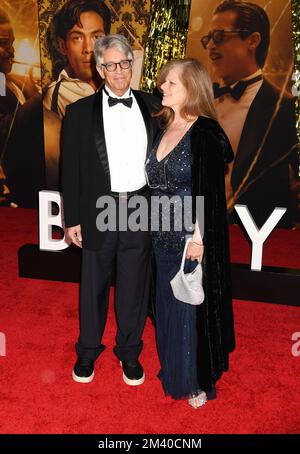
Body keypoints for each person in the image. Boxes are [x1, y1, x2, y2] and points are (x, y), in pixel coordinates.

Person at [62, 34, 159, 385]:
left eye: (126, 63)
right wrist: (71, 218)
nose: (120, 71)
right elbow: (69, 170)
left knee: (135, 284)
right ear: (100, 68)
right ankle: (87, 351)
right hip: (99, 209)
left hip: (140, 206)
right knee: (94, 286)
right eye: (112, 65)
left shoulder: (155, 106)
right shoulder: (78, 112)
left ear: (133, 65)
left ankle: (129, 352)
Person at [145, 58, 235, 409]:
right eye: (163, 82)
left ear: (192, 89)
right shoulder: (162, 127)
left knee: (187, 306)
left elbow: (210, 193)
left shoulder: (206, 133)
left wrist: (199, 238)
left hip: (186, 235)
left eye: (171, 84)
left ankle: (194, 381)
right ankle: (174, 367)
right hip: (156, 232)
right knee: (166, 304)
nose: (162, 88)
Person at [201, 0, 299, 228]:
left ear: (252, 41)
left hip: (251, 238)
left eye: (219, 36)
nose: (210, 47)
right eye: (208, 39)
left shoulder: (282, 106)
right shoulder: (201, 100)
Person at [43, 0, 111, 119]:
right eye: (77, 38)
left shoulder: (125, 80)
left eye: (97, 37)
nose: (88, 49)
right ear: (63, 46)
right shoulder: (55, 96)